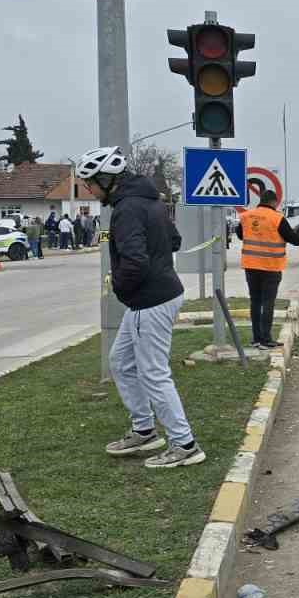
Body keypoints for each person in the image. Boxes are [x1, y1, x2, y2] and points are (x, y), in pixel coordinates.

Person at [75, 145, 204, 469]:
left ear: (107, 179)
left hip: (151, 300)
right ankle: (145, 429)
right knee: (120, 362)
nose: (89, 191)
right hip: (155, 296)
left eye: (90, 183)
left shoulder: (127, 209)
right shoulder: (150, 200)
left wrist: (119, 286)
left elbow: (134, 261)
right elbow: (173, 241)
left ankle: (184, 444)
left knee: (154, 373)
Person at [238, 190, 299, 350]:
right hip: (270, 266)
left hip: (250, 265)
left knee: (255, 302)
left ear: (260, 200)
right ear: (274, 202)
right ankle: (266, 339)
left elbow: (241, 235)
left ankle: (256, 338)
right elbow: (294, 239)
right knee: (268, 302)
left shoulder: (246, 216)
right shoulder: (277, 218)